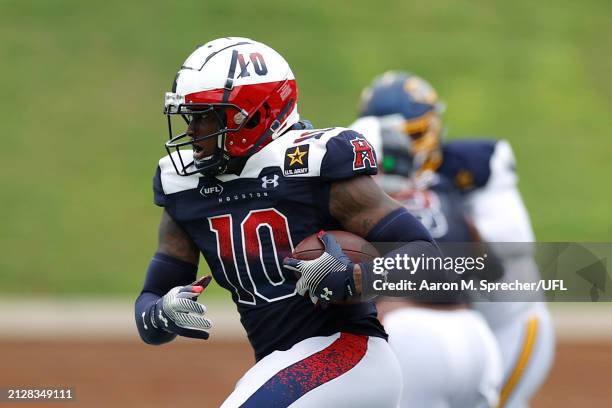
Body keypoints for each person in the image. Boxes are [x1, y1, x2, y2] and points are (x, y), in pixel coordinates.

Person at [134, 38, 442, 407]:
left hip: (347, 356)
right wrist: (161, 313)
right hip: (283, 365)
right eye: (190, 116)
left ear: (253, 114)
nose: (193, 131)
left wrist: (352, 278)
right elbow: (151, 300)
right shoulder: (185, 187)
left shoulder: (311, 163)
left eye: (207, 116)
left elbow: (427, 257)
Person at [352, 71, 555, 407]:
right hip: (465, 326)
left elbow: (513, 245)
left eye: (414, 134)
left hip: (508, 323)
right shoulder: (372, 179)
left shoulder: (470, 165)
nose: (405, 147)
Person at [370, 126, 503, 408]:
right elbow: (492, 269)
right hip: (473, 334)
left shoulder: (357, 206)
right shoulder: (444, 196)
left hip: (407, 333)